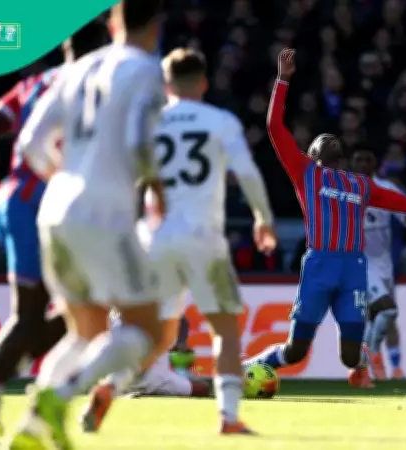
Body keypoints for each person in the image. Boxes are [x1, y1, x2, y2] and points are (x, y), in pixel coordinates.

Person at [81, 48, 276, 435]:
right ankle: (229, 418)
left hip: (155, 236)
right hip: (203, 236)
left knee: (160, 335)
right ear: (203, 83)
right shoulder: (221, 121)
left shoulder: (148, 123)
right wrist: (263, 219)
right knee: (225, 328)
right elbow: (248, 173)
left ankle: (109, 387)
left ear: (165, 85)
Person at [5, 2, 168, 448]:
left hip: (55, 209)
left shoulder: (78, 68)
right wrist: (158, 192)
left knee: (85, 332)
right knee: (146, 331)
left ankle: (33, 428)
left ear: (114, 21)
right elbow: (139, 144)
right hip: (105, 211)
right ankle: (58, 397)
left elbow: (29, 142)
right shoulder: (145, 70)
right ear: (156, 25)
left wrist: (63, 175)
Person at [0, 19, 109, 447]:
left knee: (78, 312)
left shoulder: (37, 82)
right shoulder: (94, 85)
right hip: (38, 204)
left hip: (13, 199)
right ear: (102, 47)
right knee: (44, 315)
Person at [244, 48, 406, 388]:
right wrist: (282, 81)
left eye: (333, 140)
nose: (328, 140)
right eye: (320, 141)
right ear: (312, 155)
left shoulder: (361, 184)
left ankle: (362, 365)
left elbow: (404, 203)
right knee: (296, 350)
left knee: (349, 356)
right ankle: (248, 367)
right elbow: (274, 127)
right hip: (321, 265)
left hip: (353, 268)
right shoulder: (306, 173)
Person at [351, 148, 406, 380]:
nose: (362, 164)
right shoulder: (343, 190)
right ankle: (370, 358)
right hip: (358, 262)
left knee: (388, 317)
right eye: (358, 159)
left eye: (367, 159)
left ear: (375, 164)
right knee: (381, 310)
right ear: (351, 164)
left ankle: (395, 367)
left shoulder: (387, 188)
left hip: (384, 263)